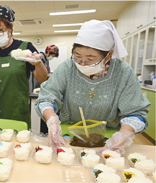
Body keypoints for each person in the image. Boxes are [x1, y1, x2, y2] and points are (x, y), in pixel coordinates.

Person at [35, 20, 150, 154]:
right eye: (77, 56)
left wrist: (123, 135)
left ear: (109, 55)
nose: (82, 63)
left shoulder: (123, 72)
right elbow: (47, 97)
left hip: (109, 137)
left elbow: (136, 113)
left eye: (90, 59)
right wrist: (52, 121)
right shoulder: (68, 67)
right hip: (69, 134)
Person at [0, 5, 48, 128]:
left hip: (16, 110)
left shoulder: (26, 48)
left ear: (10, 28)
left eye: (0, 29)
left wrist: (38, 63)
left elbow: (42, 79)